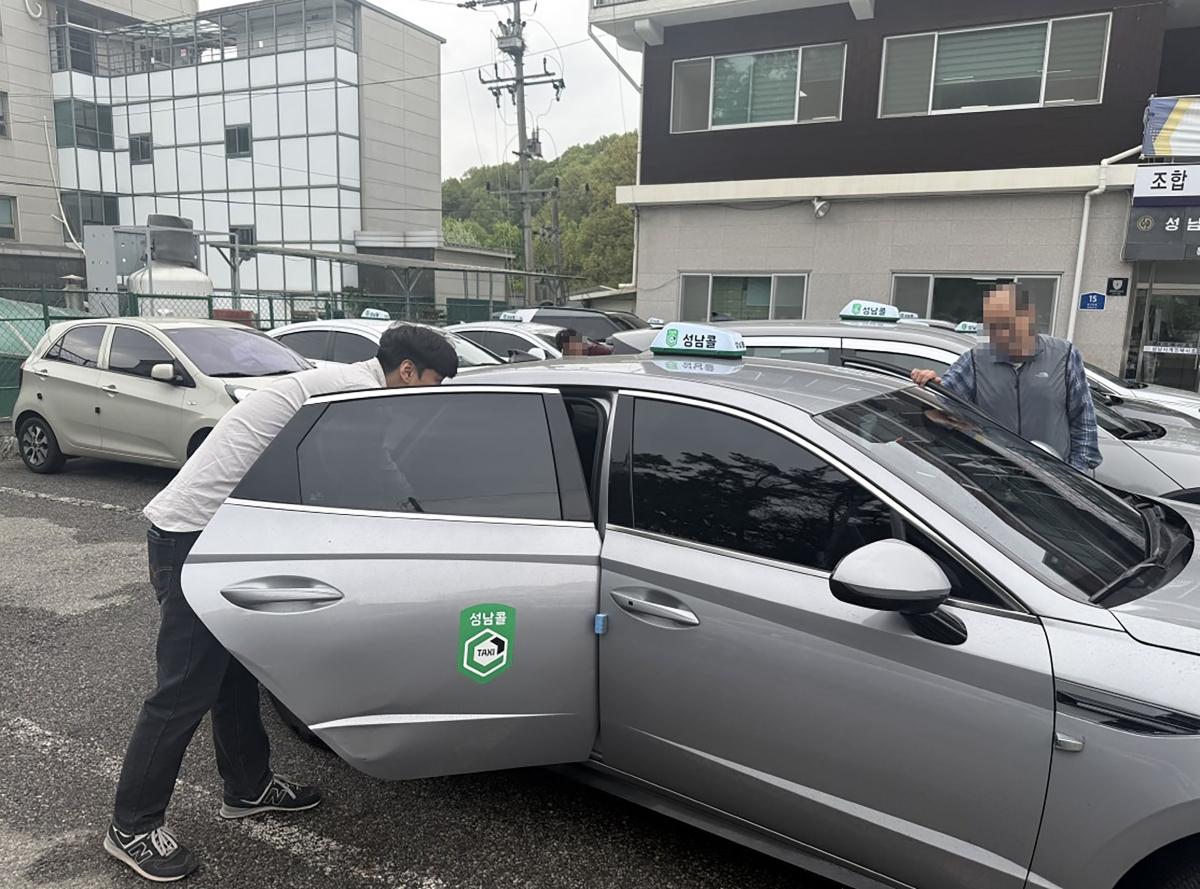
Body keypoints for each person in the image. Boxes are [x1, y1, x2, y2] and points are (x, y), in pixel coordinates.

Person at [106, 324, 459, 882]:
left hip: (223, 536)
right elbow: (358, 480)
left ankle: (248, 788)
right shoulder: (347, 394)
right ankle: (131, 826)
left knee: (238, 672)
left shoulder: (346, 386)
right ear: (408, 371)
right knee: (183, 691)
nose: (425, 399)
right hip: (194, 539)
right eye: (430, 384)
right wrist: (423, 523)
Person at [910, 283, 1101, 472]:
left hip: (1054, 483)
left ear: (1029, 316)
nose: (999, 334)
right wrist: (930, 386)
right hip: (994, 485)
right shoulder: (975, 361)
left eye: (1006, 323)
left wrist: (1075, 474)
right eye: (992, 325)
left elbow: (1083, 421)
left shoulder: (1064, 355)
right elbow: (943, 409)